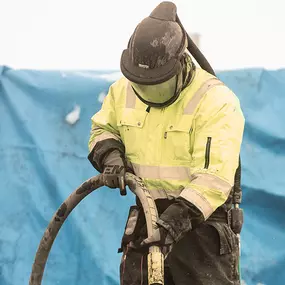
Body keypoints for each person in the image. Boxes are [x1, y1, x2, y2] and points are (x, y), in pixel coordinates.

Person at [88, 2, 245, 284]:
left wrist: (175, 220)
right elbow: (102, 128)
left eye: (157, 84)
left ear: (180, 65)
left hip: (199, 227)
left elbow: (214, 178)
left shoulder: (216, 101)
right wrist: (111, 156)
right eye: (141, 84)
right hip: (146, 220)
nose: (147, 91)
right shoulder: (123, 90)